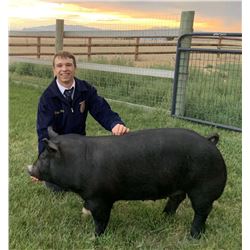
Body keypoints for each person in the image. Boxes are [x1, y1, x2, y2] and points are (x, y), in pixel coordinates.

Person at [34, 51, 129, 191]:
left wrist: (115, 124)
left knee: (91, 181)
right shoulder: (47, 98)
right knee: (58, 188)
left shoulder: (85, 89)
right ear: (54, 70)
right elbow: (43, 132)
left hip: (80, 146)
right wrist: (41, 163)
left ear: (75, 68)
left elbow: (101, 110)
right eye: (59, 65)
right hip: (58, 150)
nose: (64, 69)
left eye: (68, 65)